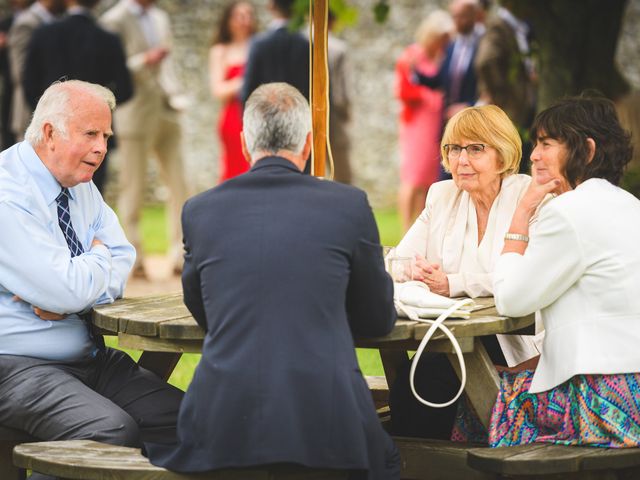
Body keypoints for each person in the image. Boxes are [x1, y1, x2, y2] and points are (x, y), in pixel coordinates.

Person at [145, 82, 400, 479]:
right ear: (309, 143)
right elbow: (377, 319)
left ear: (245, 142)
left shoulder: (200, 210)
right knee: (388, 455)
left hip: (221, 424)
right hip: (328, 422)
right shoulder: (347, 205)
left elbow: (204, 310)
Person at [0, 80, 183, 480]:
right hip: (17, 366)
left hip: (90, 359)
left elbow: (123, 259)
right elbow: (69, 284)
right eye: (91, 134)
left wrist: (76, 289)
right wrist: (95, 261)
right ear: (50, 133)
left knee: (192, 422)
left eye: (106, 136)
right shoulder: (7, 192)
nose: (102, 147)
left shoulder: (80, 186)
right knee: (108, 432)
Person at [487, 95, 640, 448]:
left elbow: (511, 300)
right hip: (630, 388)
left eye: (546, 144)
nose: (534, 155)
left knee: (472, 396)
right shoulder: (629, 204)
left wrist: (522, 213)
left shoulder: (568, 212)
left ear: (586, 150)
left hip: (606, 399)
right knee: (504, 379)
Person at [389, 104, 542, 439]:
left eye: (476, 149)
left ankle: (416, 459)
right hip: (450, 337)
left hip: (513, 339)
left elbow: (522, 275)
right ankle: (415, 458)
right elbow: (398, 263)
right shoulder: (442, 195)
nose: (461, 160)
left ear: (502, 155)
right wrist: (415, 268)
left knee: (426, 377)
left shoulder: (527, 196)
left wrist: (453, 284)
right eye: (454, 148)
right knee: (418, 378)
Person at [100, 0, 189, 278]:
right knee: (133, 188)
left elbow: (169, 63)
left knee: (182, 185)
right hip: (135, 111)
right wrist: (144, 60)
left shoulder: (161, 17)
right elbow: (113, 65)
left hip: (167, 107)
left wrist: (177, 91)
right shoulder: (114, 19)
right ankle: (133, 259)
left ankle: (182, 256)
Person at [22, 0, 133, 194]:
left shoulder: (44, 34)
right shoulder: (108, 39)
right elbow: (126, 89)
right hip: (91, 137)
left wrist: (53, 115)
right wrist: (96, 113)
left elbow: (28, 85)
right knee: (92, 197)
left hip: (52, 131)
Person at [395, 10, 452, 232]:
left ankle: (419, 228)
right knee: (412, 176)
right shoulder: (411, 55)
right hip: (416, 123)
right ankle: (405, 227)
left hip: (434, 123)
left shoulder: (442, 57)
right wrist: (427, 96)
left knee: (428, 177)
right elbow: (402, 90)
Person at [475, 0, 535, 172]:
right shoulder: (498, 26)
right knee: (509, 163)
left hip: (519, 108)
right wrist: (499, 94)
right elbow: (485, 61)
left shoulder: (520, 27)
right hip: (510, 109)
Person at [412, 0, 481, 125]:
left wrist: (469, 107)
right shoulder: (451, 46)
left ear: (475, 15)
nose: (457, 21)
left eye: (462, 16)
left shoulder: (482, 45)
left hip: (474, 121)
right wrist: (416, 73)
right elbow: (441, 80)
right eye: (455, 16)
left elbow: (490, 90)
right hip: (448, 121)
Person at [209, 1, 256, 183]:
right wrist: (245, 81)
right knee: (233, 168)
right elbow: (218, 89)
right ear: (228, 20)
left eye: (248, 15)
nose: (244, 20)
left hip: (256, 113)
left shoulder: (258, 46)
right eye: (239, 15)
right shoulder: (220, 51)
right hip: (233, 117)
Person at [8, 0, 65, 141]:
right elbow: (20, 72)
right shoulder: (26, 23)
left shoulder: (58, 20)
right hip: (30, 112)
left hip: (56, 111)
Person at [240, 0, 309, 102]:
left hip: (265, 116)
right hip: (301, 115)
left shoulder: (259, 44)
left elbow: (247, 90)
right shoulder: (307, 45)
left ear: (271, 6)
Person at [327, 9, 352, 184]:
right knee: (342, 174)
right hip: (332, 116)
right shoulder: (338, 48)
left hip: (303, 116)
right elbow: (342, 90)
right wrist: (346, 113)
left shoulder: (299, 43)